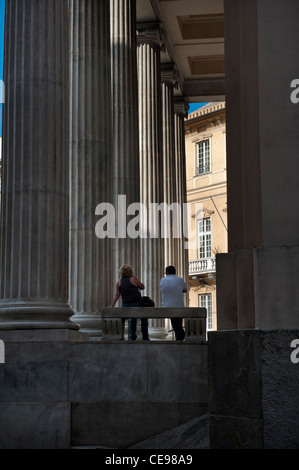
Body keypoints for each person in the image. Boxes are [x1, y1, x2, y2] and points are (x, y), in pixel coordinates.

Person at [111, 264, 150, 341]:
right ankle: (145, 336)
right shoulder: (133, 279)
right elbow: (142, 287)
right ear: (130, 271)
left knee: (132, 319)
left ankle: (132, 337)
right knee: (144, 317)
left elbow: (117, 295)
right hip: (136, 303)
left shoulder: (119, 282)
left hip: (125, 305)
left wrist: (112, 305)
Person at [160, 265, 187, 341]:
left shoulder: (163, 280)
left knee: (175, 325)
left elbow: (162, 289)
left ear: (167, 272)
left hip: (167, 306)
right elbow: (185, 290)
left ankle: (179, 337)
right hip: (179, 305)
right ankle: (180, 337)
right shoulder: (180, 280)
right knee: (178, 325)